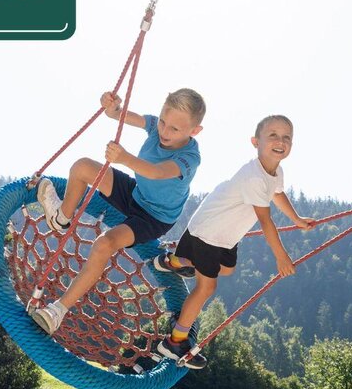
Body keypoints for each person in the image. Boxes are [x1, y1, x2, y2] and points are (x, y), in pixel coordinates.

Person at [30, 88, 205, 334]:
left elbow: (156, 172)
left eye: (174, 129)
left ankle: (58, 310)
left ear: (194, 131)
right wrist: (111, 107)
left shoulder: (190, 157)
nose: (164, 131)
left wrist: (124, 158)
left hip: (154, 218)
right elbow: (119, 115)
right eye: (163, 122)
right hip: (136, 194)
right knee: (82, 167)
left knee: (104, 243)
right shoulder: (155, 126)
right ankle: (62, 218)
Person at [154, 114, 312, 368]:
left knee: (226, 269)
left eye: (286, 137)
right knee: (206, 287)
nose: (280, 141)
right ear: (255, 141)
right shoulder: (254, 177)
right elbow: (265, 221)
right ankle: (175, 340)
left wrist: (297, 219)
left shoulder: (274, 171)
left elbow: (278, 194)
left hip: (225, 236)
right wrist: (281, 257)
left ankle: (176, 261)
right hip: (209, 233)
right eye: (273, 135)